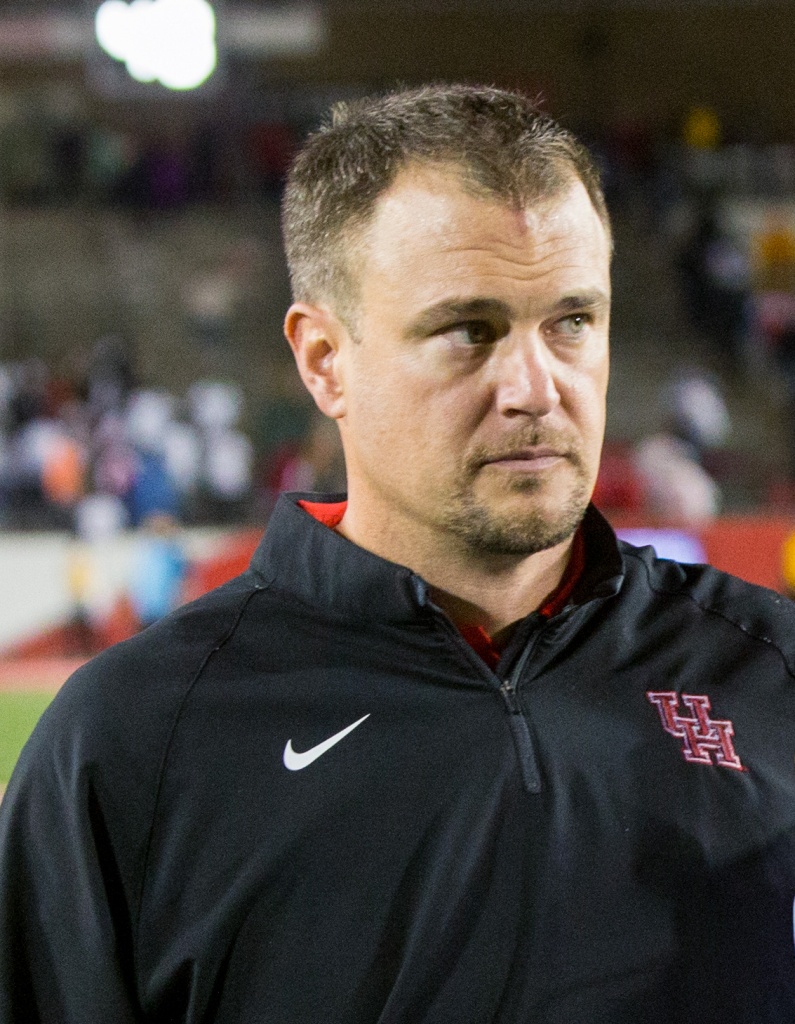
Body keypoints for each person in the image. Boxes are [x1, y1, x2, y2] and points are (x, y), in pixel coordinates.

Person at [1, 85, 795, 1024]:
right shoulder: (134, 741)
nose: (536, 388)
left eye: (572, 321)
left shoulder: (767, 669)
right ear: (324, 359)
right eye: (471, 331)